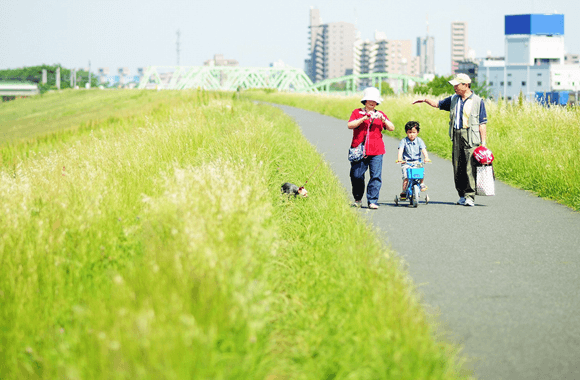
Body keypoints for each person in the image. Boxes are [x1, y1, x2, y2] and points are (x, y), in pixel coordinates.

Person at [412, 73, 487, 207]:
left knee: (470, 167)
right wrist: (424, 100)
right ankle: (462, 195)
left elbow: (482, 123)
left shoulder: (477, 101)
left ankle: (470, 196)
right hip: (456, 135)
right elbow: (437, 104)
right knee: (458, 167)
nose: (454, 87)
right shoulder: (453, 99)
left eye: (457, 85)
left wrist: (483, 143)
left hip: (471, 136)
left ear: (465, 85)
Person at [347, 87, 395, 209]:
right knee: (356, 175)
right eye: (370, 100)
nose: (372, 102)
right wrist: (364, 118)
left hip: (377, 150)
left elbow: (391, 127)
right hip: (359, 150)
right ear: (365, 100)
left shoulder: (381, 114)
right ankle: (358, 198)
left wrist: (382, 118)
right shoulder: (357, 112)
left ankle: (372, 200)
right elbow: (350, 125)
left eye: (375, 101)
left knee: (375, 176)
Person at [396, 121, 431, 199]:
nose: (412, 134)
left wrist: (426, 157)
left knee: (420, 172)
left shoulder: (419, 141)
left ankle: (422, 183)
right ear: (406, 132)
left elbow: (423, 149)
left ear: (417, 132)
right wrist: (399, 159)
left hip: (417, 161)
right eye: (409, 132)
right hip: (406, 162)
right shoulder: (404, 141)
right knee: (406, 177)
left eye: (414, 132)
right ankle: (404, 191)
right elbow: (401, 150)